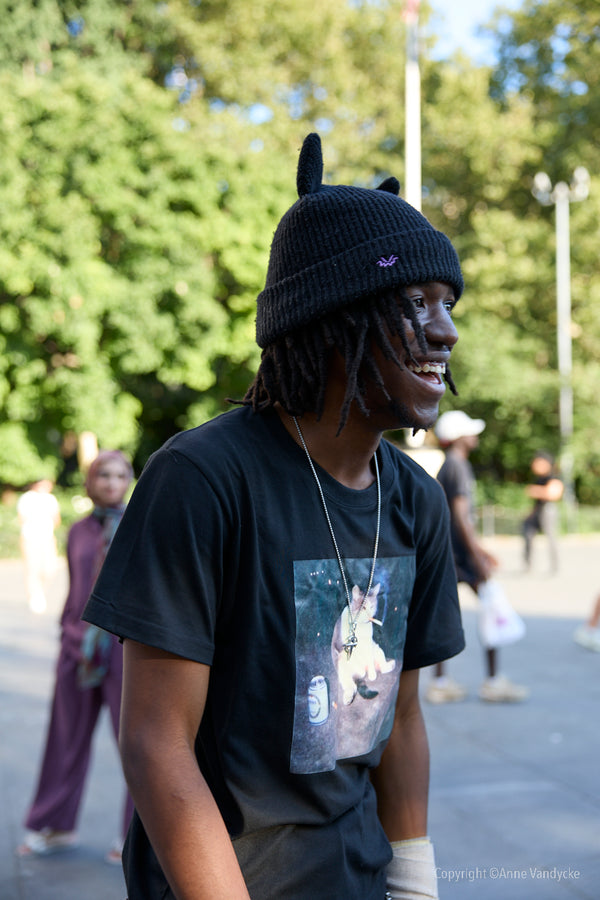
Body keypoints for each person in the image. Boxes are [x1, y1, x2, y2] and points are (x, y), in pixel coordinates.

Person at [83, 132, 466, 900]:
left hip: (359, 878)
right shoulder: (201, 479)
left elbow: (403, 718)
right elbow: (156, 742)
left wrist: (415, 878)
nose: (446, 331)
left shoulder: (416, 499)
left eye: (447, 304)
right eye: (412, 303)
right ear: (329, 321)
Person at [18, 451, 134, 864]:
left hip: (124, 651)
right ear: (89, 480)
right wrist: (68, 634)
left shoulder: (140, 527)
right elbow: (76, 589)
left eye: (120, 475)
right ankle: (54, 825)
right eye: (103, 474)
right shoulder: (78, 531)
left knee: (137, 744)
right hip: (78, 648)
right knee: (64, 737)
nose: (111, 482)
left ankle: (134, 838)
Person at [426, 410, 528, 704]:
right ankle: (492, 682)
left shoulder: (452, 465)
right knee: (491, 608)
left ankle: (442, 682)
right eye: (471, 432)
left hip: (452, 553)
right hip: (460, 555)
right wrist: (477, 555)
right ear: (459, 438)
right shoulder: (457, 466)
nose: (476, 436)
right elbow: (460, 516)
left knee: (446, 613)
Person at [17, 478, 61, 613]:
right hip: (30, 537)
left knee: (50, 568)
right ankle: (34, 596)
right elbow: (22, 518)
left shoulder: (51, 499)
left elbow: (56, 519)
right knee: (32, 568)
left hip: (47, 537)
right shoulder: (27, 498)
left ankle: (39, 591)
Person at [522, 451, 563, 573]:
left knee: (551, 537)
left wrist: (535, 491)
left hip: (548, 509)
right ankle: (528, 565)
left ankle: (554, 566)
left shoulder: (552, 477)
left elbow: (554, 494)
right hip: (537, 510)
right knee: (527, 534)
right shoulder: (538, 479)